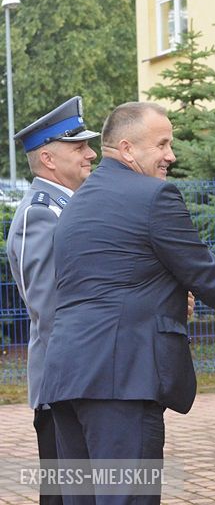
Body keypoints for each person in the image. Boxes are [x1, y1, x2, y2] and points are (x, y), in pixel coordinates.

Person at [38, 101, 215, 504]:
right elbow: (202, 270)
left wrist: (166, 297)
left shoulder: (76, 203)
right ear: (128, 149)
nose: (171, 155)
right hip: (123, 381)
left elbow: (113, 279)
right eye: (162, 144)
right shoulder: (154, 196)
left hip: (66, 378)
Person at [6, 97, 100, 505]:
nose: (91, 153)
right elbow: (49, 308)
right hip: (65, 384)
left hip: (83, 381)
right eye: (78, 147)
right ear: (47, 158)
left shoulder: (73, 206)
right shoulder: (40, 214)